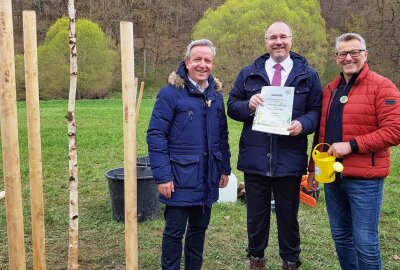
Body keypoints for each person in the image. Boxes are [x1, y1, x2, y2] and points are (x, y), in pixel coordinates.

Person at [227, 21, 322, 270]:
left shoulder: (308, 76)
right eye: (273, 37)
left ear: (291, 40)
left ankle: (290, 261)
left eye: (283, 37)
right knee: (256, 215)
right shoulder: (248, 73)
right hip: (256, 156)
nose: (278, 42)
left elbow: (316, 111)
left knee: (288, 215)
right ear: (265, 42)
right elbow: (232, 106)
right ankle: (256, 258)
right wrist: (248, 105)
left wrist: (303, 123)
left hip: (289, 158)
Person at [308, 33, 400, 270]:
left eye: (354, 52)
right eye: (342, 53)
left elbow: (394, 130)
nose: (348, 58)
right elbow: (321, 135)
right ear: (336, 58)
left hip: (365, 180)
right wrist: (312, 170)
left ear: (365, 55)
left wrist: (352, 145)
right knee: (341, 237)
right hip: (332, 177)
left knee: (365, 242)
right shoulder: (329, 90)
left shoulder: (382, 86)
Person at [147, 39, 231, 270]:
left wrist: (224, 168)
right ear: (187, 62)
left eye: (207, 60)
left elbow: (222, 135)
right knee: (174, 233)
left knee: (198, 231)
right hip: (179, 177)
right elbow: (156, 135)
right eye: (197, 59)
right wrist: (163, 176)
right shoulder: (170, 94)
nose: (202, 65)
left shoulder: (216, 96)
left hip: (207, 177)